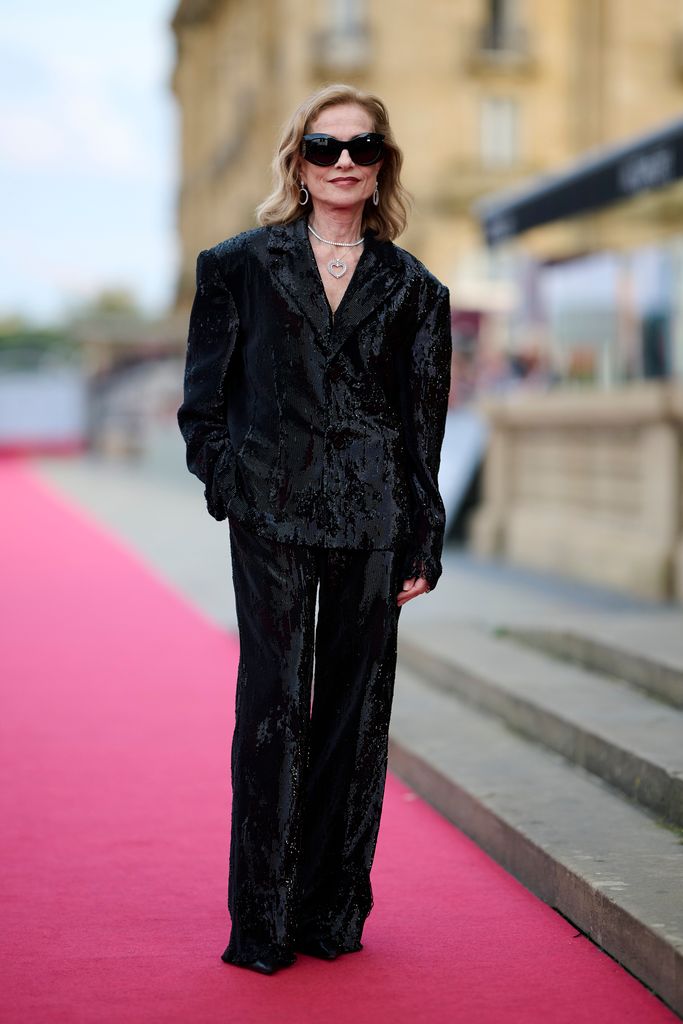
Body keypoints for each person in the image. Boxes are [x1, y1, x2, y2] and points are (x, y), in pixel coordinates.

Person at [177, 83, 452, 976]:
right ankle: (260, 921)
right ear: (297, 162)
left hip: (373, 519)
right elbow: (201, 407)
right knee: (270, 712)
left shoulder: (417, 290)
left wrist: (424, 535)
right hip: (271, 516)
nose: (342, 163)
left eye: (361, 147)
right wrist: (235, 488)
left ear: (381, 167)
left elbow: (424, 429)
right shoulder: (236, 267)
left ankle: (330, 911)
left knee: (352, 718)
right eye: (324, 147)